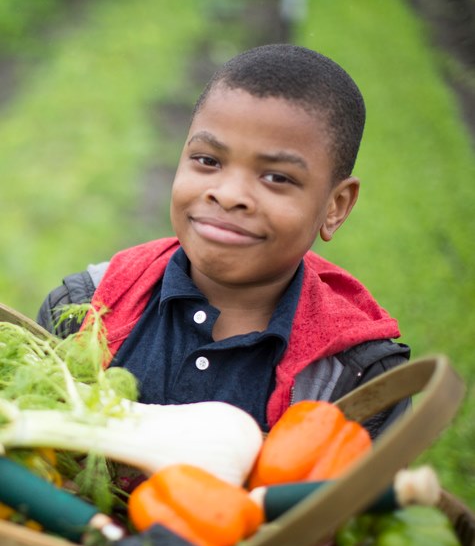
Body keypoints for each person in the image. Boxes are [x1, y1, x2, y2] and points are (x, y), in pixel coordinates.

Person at [37, 44, 410, 436]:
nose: (229, 195)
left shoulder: (359, 379)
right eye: (208, 161)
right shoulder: (83, 310)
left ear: (335, 206)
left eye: (276, 178)